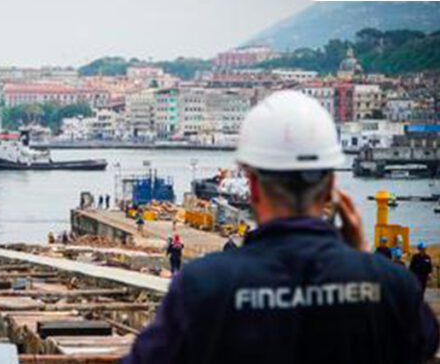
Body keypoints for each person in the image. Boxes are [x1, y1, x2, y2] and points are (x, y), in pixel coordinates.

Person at [124, 91, 438, 363]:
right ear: (331, 184)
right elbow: (422, 343)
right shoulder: (391, 286)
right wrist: (361, 259)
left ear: (253, 185)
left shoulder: (203, 287)